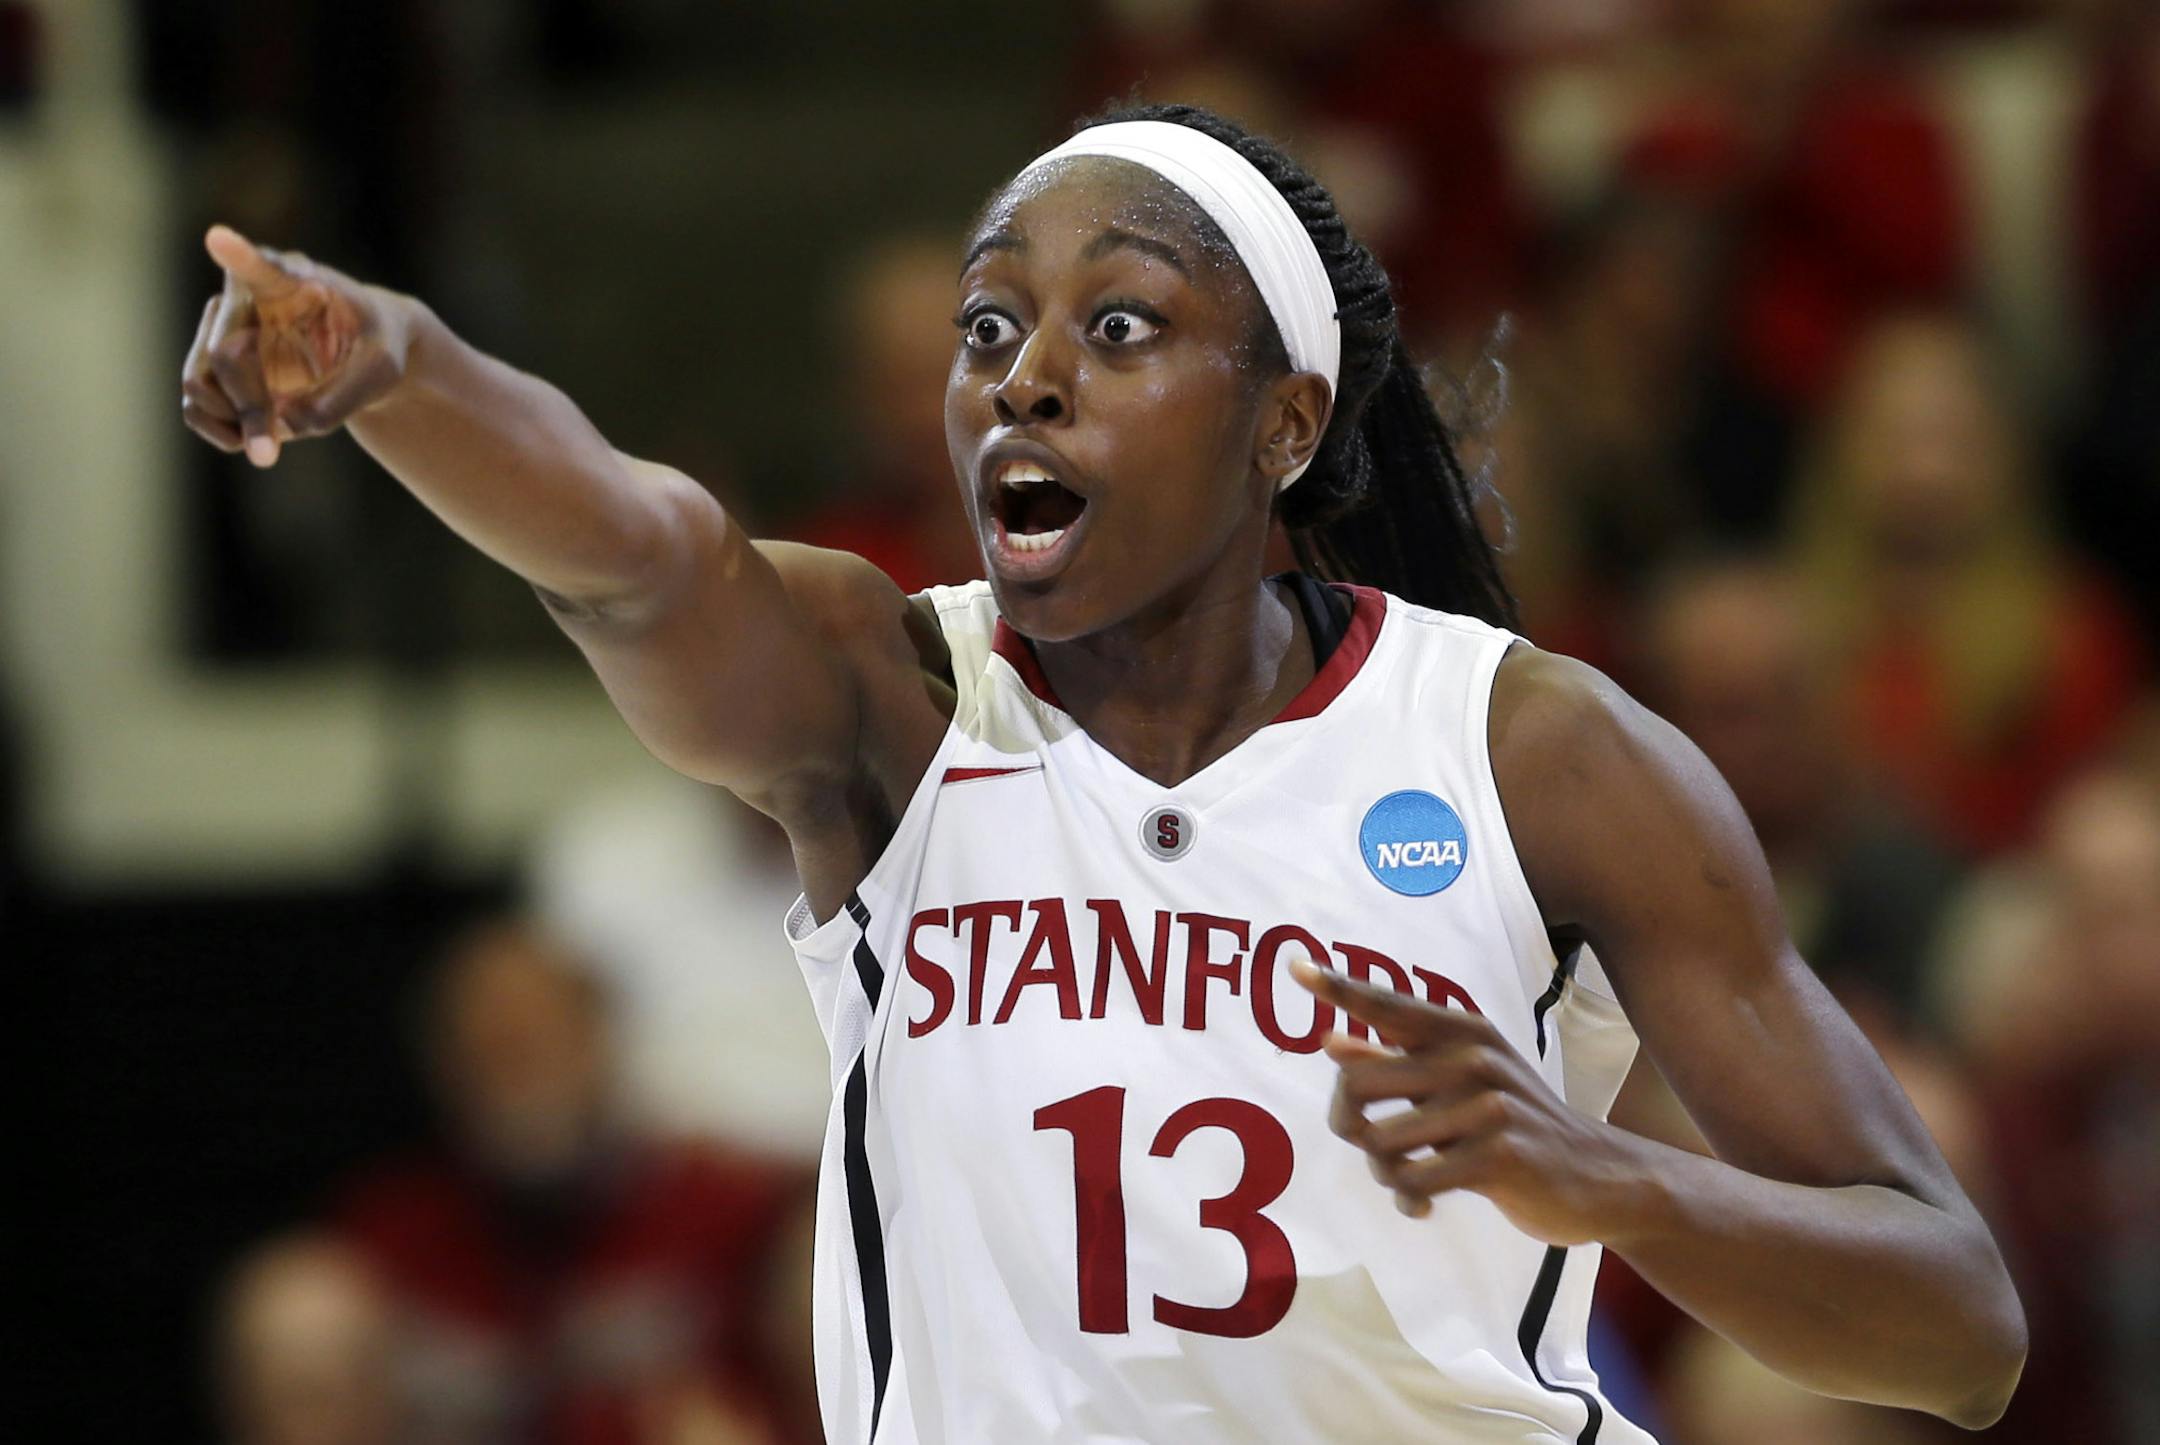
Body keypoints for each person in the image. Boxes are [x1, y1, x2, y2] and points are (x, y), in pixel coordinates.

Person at [180, 101, 2024, 1442]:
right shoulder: (889, 703)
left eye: (1116, 327)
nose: (1022, 381)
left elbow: (1959, 1331)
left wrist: (1606, 1180)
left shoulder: (1534, 752)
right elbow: (638, 555)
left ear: (1285, 421)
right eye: (994, 330)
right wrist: (398, 366)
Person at [334, 920, 815, 1445]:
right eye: (488, 1051)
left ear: (598, 1039)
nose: (515, 1083)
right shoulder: (393, 1233)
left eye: (536, 1042)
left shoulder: (719, 1204)